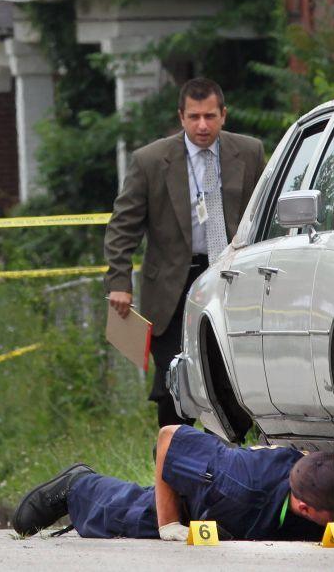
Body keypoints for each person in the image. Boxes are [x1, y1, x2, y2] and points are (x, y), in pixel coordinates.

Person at [104, 78, 264, 426]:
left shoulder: (249, 153)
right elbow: (123, 226)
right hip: (173, 286)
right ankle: (172, 461)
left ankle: (230, 464)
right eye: (194, 117)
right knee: (174, 381)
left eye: (209, 116)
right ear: (181, 117)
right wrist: (118, 280)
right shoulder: (150, 161)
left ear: (224, 114)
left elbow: (266, 214)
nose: (202, 126)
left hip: (229, 276)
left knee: (228, 376)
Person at [12, 425, 334, 540]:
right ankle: (78, 485)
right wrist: (170, 525)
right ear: (306, 508)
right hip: (203, 497)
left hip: (252, 508)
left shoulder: (329, 485)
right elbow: (169, 437)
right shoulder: (237, 482)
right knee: (133, 517)